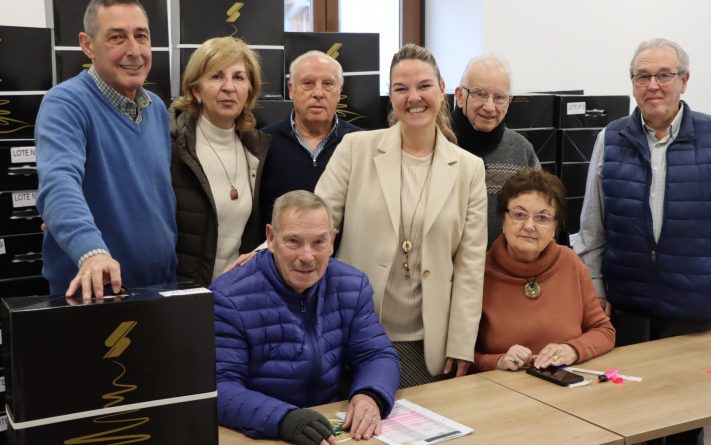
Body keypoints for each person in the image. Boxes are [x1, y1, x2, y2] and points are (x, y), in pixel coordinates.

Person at [572, 38, 711, 444]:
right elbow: (591, 228)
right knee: (627, 420)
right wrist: (596, 288)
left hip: (691, 310)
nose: (653, 85)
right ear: (632, 83)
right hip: (627, 310)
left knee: (684, 420)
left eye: (664, 75)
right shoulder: (611, 137)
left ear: (684, 80)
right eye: (643, 76)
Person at [315, 43, 487, 388]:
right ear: (390, 97)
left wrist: (462, 341)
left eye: (424, 86)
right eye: (401, 88)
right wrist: (261, 255)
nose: (414, 97)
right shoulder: (356, 150)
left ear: (441, 90)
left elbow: (470, 265)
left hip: (428, 343)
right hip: (356, 332)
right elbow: (313, 227)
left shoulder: (469, 168)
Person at [213, 190, 399, 443]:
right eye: (293, 241)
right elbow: (221, 387)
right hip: (262, 433)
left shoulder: (351, 285)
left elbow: (376, 354)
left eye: (319, 242)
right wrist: (284, 419)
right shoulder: (227, 297)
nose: (307, 256)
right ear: (271, 238)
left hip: (328, 428)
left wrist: (370, 394)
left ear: (332, 241)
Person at [35, 0, 175, 298]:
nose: (134, 50)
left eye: (141, 36)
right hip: (94, 294)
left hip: (159, 288)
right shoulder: (65, 104)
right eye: (116, 37)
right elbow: (59, 184)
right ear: (88, 45)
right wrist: (92, 253)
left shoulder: (157, 108)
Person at [473, 167, 614, 372]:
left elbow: (604, 331)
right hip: (501, 393)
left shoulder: (571, 264)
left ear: (555, 227)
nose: (529, 226)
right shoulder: (478, 272)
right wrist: (497, 361)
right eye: (519, 214)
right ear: (502, 219)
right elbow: (462, 356)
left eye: (542, 218)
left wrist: (572, 350)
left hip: (565, 386)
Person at [169, 37, 270, 285]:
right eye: (216, 76)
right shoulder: (170, 146)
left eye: (238, 77)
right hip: (182, 297)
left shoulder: (258, 148)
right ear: (196, 90)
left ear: (249, 90)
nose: (229, 87)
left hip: (236, 296)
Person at [260, 50, 360, 227]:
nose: (318, 93)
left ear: (339, 92)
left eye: (328, 84)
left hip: (343, 254)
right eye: (308, 83)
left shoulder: (360, 143)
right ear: (291, 90)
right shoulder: (263, 141)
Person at [453, 55, 539, 243]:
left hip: (504, 268)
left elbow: (540, 212)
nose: (490, 106)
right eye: (480, 94)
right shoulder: (440, 143)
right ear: (460, 96)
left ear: (509, 102)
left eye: (499, 97)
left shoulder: (522, 150)